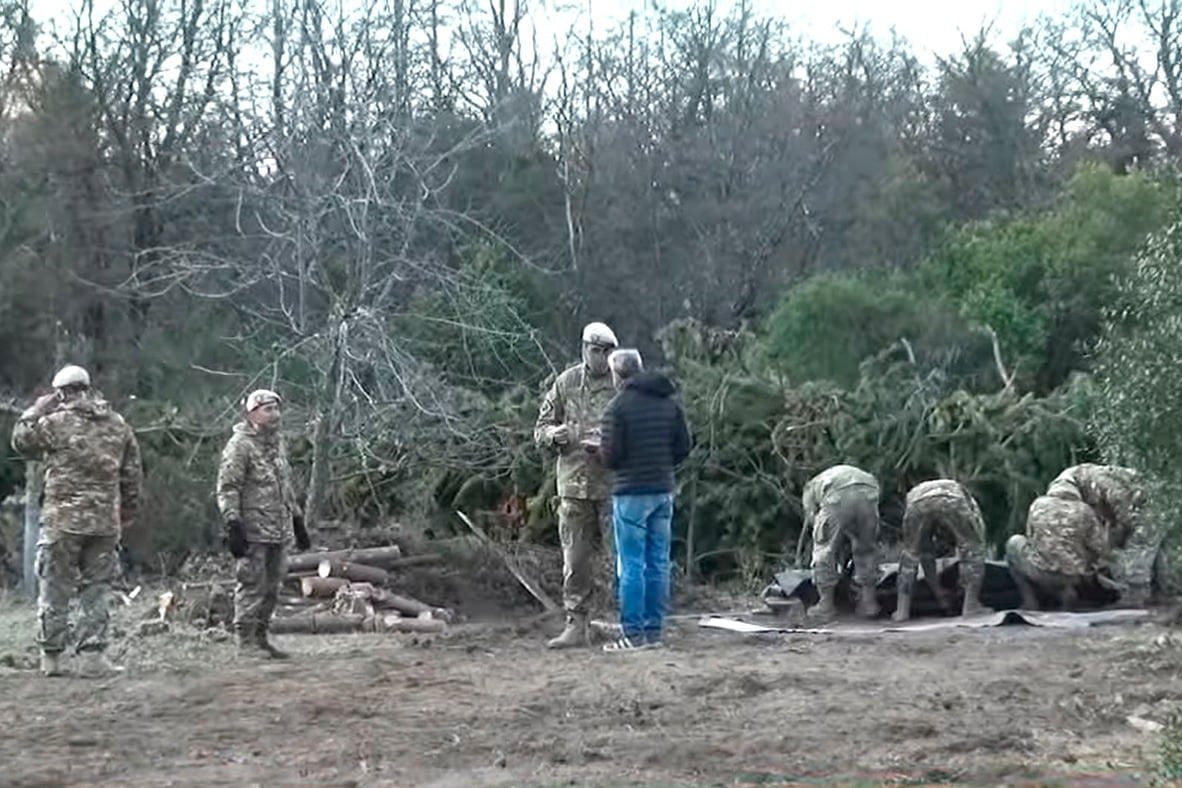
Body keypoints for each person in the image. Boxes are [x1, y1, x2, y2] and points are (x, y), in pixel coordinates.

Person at [10, 364, 142, 677]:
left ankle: (51, 658)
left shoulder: (54, 423)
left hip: (62, 522)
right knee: (95, 590)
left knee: (54, 589)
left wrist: (35, 409)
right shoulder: (118, 424)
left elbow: (20, 441)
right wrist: (126, 515)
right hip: (103, 524)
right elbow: (132, 475)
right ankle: (93, 659)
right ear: (88, 387)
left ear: (61, 393)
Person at [533, 321, 620, 649]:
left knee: (618, 558)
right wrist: (552, 435)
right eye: (595, 351)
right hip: (573, 484)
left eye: (606, 351)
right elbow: (540, 427)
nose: (601, 357)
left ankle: (618, 620)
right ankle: (576, 623)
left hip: (610, 483)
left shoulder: (619, 383)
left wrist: (608, 444)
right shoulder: (566, 382)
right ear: (584, 349)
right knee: (576, 559)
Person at [598, 349, 691, 651]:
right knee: (658, 562)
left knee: (632, 564)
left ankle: (632, 634)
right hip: (663, 489)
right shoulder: (669, 404)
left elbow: (611, 457)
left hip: (630, 493)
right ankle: (653, 632)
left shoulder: (618, 407)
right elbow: (683, 447)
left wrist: (595, 449)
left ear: (617, 374)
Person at [216, 388, 309, 659]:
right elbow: (228, 486)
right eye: (268, 409)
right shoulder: (239, 445)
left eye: (276, 409)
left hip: (278, 529)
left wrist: (297, 519)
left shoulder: (277, 444)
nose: (275, 415)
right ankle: (245, 642)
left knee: (273, 585)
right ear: (252, 412)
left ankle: (261, 637)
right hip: (253, 529)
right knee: (251, 584)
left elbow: (285, 485)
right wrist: (233, 522)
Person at [1046, 464, 1156, 606]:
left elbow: (1127, 519)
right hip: (1133, 508)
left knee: (1139, 543)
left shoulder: (1102, 482)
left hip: (1149, 506)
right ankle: (1153, 592)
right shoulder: (1080, 485)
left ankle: (1136, 597)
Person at [892, 479, 988, 622]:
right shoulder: (969, 502)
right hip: (951, 499)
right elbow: (975, 545)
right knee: (973, 548)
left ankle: (902, 610)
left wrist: (938, 592)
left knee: (911, 553)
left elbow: (925, 553)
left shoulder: (915, 492)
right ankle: (971, 605)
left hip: (917, 503)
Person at [802, 464, 881, 622]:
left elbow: (815, 523)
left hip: (837, 497)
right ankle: (869, 603)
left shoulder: (810, 489)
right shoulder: (844, 473)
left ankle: (825, 606)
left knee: (824, 551)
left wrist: (833, 542)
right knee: (867, 549)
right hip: (870, 491)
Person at [1005, 494, 1110, 610]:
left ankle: (1030, 601)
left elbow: (1032, 540)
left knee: (1013, 543)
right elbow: (1099, 548)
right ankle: (1066, 590)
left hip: (1042, 573)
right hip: (1076, 576)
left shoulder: (1038, 505)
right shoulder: (1085, 510)